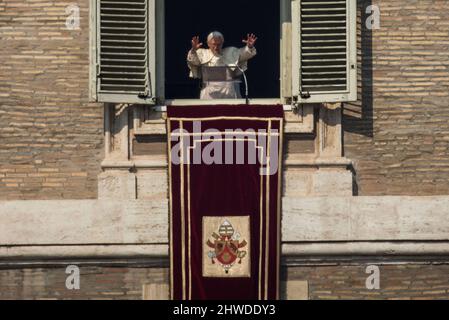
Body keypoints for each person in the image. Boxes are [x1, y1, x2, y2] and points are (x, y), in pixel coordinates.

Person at [187, 31, 257, 99]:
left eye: (219, 44)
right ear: (208, 44)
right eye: (214, 44)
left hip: (229, 94)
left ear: (222, 43)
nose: (216, 47)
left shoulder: (230, 52)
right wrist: (193, 50)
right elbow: (193, 61)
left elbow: (244, 54)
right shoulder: (202, 53)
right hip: (209, 95)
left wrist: (249, 47)